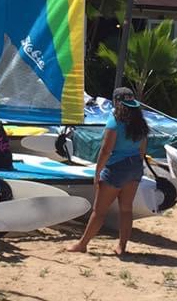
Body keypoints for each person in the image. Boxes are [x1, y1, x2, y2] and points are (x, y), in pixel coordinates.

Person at [66, 86, 149, 255]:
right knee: (126, 209)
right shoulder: (140, 121)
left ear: (116, 102)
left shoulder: (115, 121)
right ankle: (122, 247)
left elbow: (106, 150)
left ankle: (82, 244)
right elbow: (142, 148)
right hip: (135, 166)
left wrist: (97, 172)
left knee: (99, 211)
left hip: (117, 168)